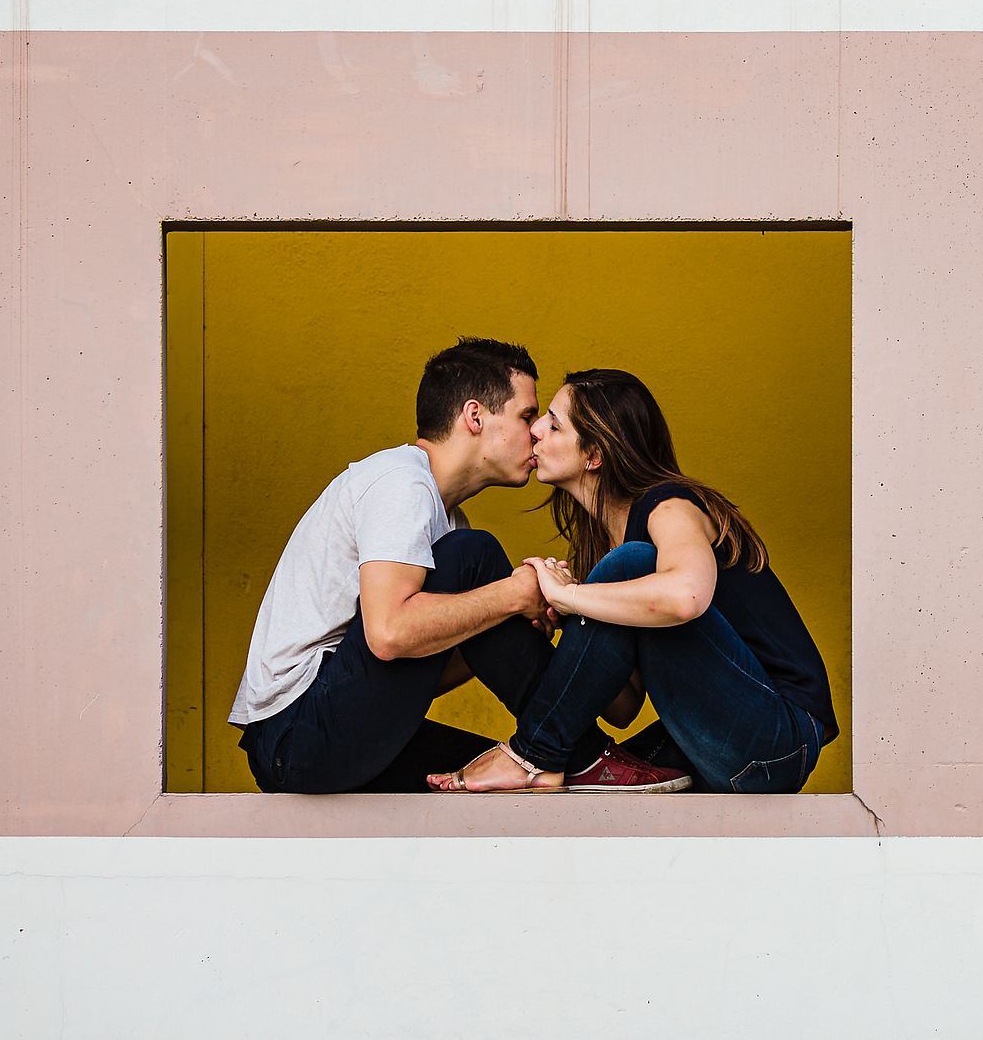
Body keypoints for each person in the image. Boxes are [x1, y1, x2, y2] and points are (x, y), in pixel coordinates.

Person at [229, 338, 692, 794]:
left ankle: (579, 758)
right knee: (476, 556)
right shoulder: (400, 482)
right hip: (294, 734)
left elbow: (415, 670)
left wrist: (506, 622)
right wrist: (512, 594)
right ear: (475, 416)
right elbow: (389, 634)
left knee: (516, 771)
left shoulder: (446, 519)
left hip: (334, 730)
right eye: (527, 415)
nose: (534, 433)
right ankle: (589, 756)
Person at [427, 368, 838, 793]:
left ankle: (531, 756)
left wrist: (570, 594)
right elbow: (621, 706)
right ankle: (540, 760)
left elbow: (685, 596)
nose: (534, 431)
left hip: (778, 738)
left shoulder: (669, 507)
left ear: (594, 455)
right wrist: (562, 620)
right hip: (723, 745)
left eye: (553, 423)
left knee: (633, 563)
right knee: (597, 778)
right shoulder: (608, 546)